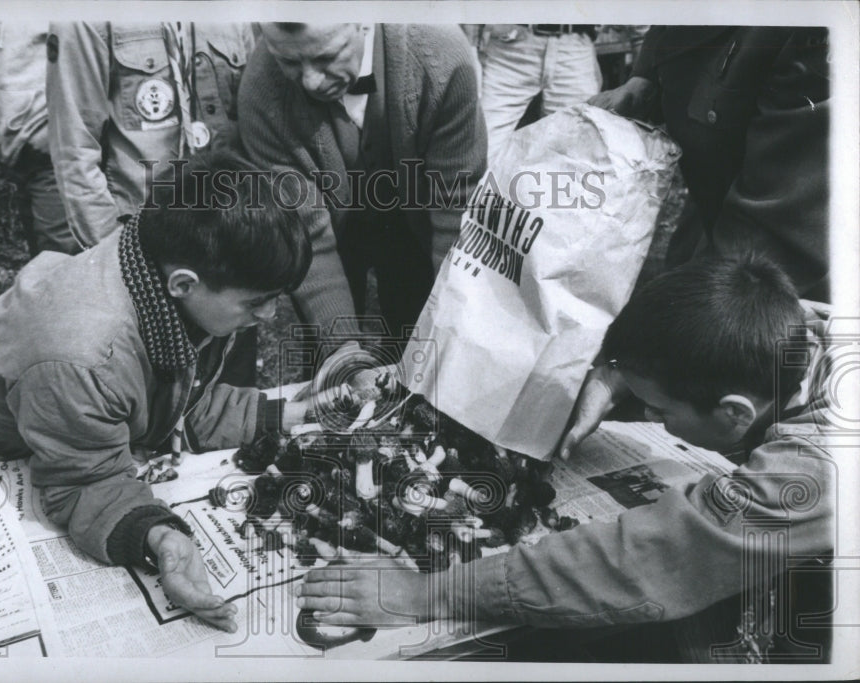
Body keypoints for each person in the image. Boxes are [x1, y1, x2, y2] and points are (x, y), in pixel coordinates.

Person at [296, 254, 836, 661]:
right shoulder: (806, 332)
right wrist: (617, 371)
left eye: (660, 409)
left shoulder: (809, 475)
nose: (650, 420)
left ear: (736, 413)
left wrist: (424, 591)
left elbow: (637, 562)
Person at [0, 151, 314, 631]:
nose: (270, 316)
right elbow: (85, 483)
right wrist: (162, 540)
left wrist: (285, 414)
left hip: (68, 410)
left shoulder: (151, 264)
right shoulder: (85, 362)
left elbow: (174, 404)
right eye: (257, 302)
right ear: (183, 284)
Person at [238, 23, 487, 352]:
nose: (311, 79)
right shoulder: (260, 89)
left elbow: (456, 205)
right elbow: (305, 230)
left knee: (422, 339)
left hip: (415, 223)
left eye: (327, 56)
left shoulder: (441, 52)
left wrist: (449, 325)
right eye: (290, 62)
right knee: (330, 359)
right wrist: (341, 351)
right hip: (333, 231)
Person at [47, 21, 258, 385]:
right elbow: (76, 152)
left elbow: (253, 121)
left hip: (231, 239)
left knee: (228, 386)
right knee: (156, 399)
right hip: (149, 250)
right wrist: (118, 267)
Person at [588, 26, 830, 302]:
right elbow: (670, 24)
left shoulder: (808, 29)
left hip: (790, 243)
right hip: (713, 198)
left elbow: (776, 237)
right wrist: (646, 76)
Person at [0, 20, 77, 255]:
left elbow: (87, 61)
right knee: (42, 251)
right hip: (19, 155)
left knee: (61, 255)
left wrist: (57, 131)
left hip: (56, 151)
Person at [471, 24, 602, 164]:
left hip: (574, 46)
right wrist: (471, 47)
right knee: (476, 158)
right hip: (511, 45)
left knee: (578, 162)